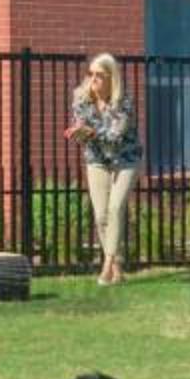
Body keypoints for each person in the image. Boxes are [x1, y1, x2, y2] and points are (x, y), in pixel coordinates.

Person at [62, 53, 141, 285]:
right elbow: (82, 133)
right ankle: (117, 268)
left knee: (116, 207)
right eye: (91, 74)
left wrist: (90, 133)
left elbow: (116, 137)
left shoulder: (123, 101)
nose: (93, 79)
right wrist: (78, 134)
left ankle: (107, 265)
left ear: (111, 78)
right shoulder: (80, 98)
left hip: (126, 159)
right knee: (101, 214)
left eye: (99, 75)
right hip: (96, 159)